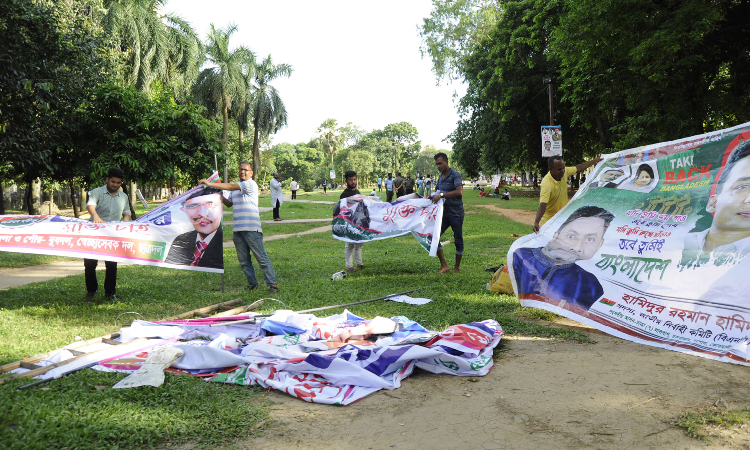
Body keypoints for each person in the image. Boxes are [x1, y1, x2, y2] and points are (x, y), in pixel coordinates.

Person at [513, 206, 615, 310]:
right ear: (556, 234)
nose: (576, 247)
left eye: (590, 239)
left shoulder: (591, 285)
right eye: (571, 236)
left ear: (599, 245)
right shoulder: (520, 257)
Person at [200, 162, 279, 293]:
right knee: (244, 261)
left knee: (261, 257)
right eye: (240, 170)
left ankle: (273, 285)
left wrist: (210, 184)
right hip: (238, 229)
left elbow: (230, 186)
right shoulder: (237, 187)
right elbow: (229, 203)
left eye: (245, 170)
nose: (242, 172)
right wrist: (218, 194)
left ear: (251, 172)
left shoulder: (250, 184)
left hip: (251, 229)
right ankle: (253, 284)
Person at [84, 168, 131, 300]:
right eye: (113, 182)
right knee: (90, 264)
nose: (115, 185)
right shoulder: (97, 192)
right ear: (107, 180)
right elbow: (90, 205)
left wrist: (124, 223)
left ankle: (110, 292)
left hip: (113, 235)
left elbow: (126, 212)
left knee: (111, 264)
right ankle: (91, 291)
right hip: (94, 232)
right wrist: (96, 217)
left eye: (118, 183)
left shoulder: (123, 197)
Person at [533, 154, 602, 233]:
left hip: (562, 217)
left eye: (563, 168)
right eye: (559, 169)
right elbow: (543, 204)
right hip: (550, 221)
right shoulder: (547, 184)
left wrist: (594, 161)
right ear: (550, 169)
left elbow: (578, 168)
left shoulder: (564, 172)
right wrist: (536, 222)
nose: (562, 170)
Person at [164, 187, 223, 269]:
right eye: (193, 205)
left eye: (210, 204)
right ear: (184, 210)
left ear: (221, 208)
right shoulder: (181, 240)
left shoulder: (221, 242)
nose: (202, 214)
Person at [431, 152, 464, 274]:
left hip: (456, 213)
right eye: (436, 164)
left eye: (440, 163)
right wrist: (432, 195)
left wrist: (442, 195)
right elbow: (437, 191)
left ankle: (456, 267)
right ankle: (444, 265)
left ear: (446, 162)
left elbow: (459, 192)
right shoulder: (440, 177)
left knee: (458, 239)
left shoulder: (455, 174)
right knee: (435, 236)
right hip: (443, 214)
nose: (438, 166)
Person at [339, 170, 365, 272]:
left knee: (359, 244)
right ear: (346, 181)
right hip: (349, 222)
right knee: (349, 244)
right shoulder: (344, 195)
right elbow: (342, 210)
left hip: (359, 222)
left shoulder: (357, 192)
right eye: (350, 180)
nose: (353, 182)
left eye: (354, 179)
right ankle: (349, 266)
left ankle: (360, 263)